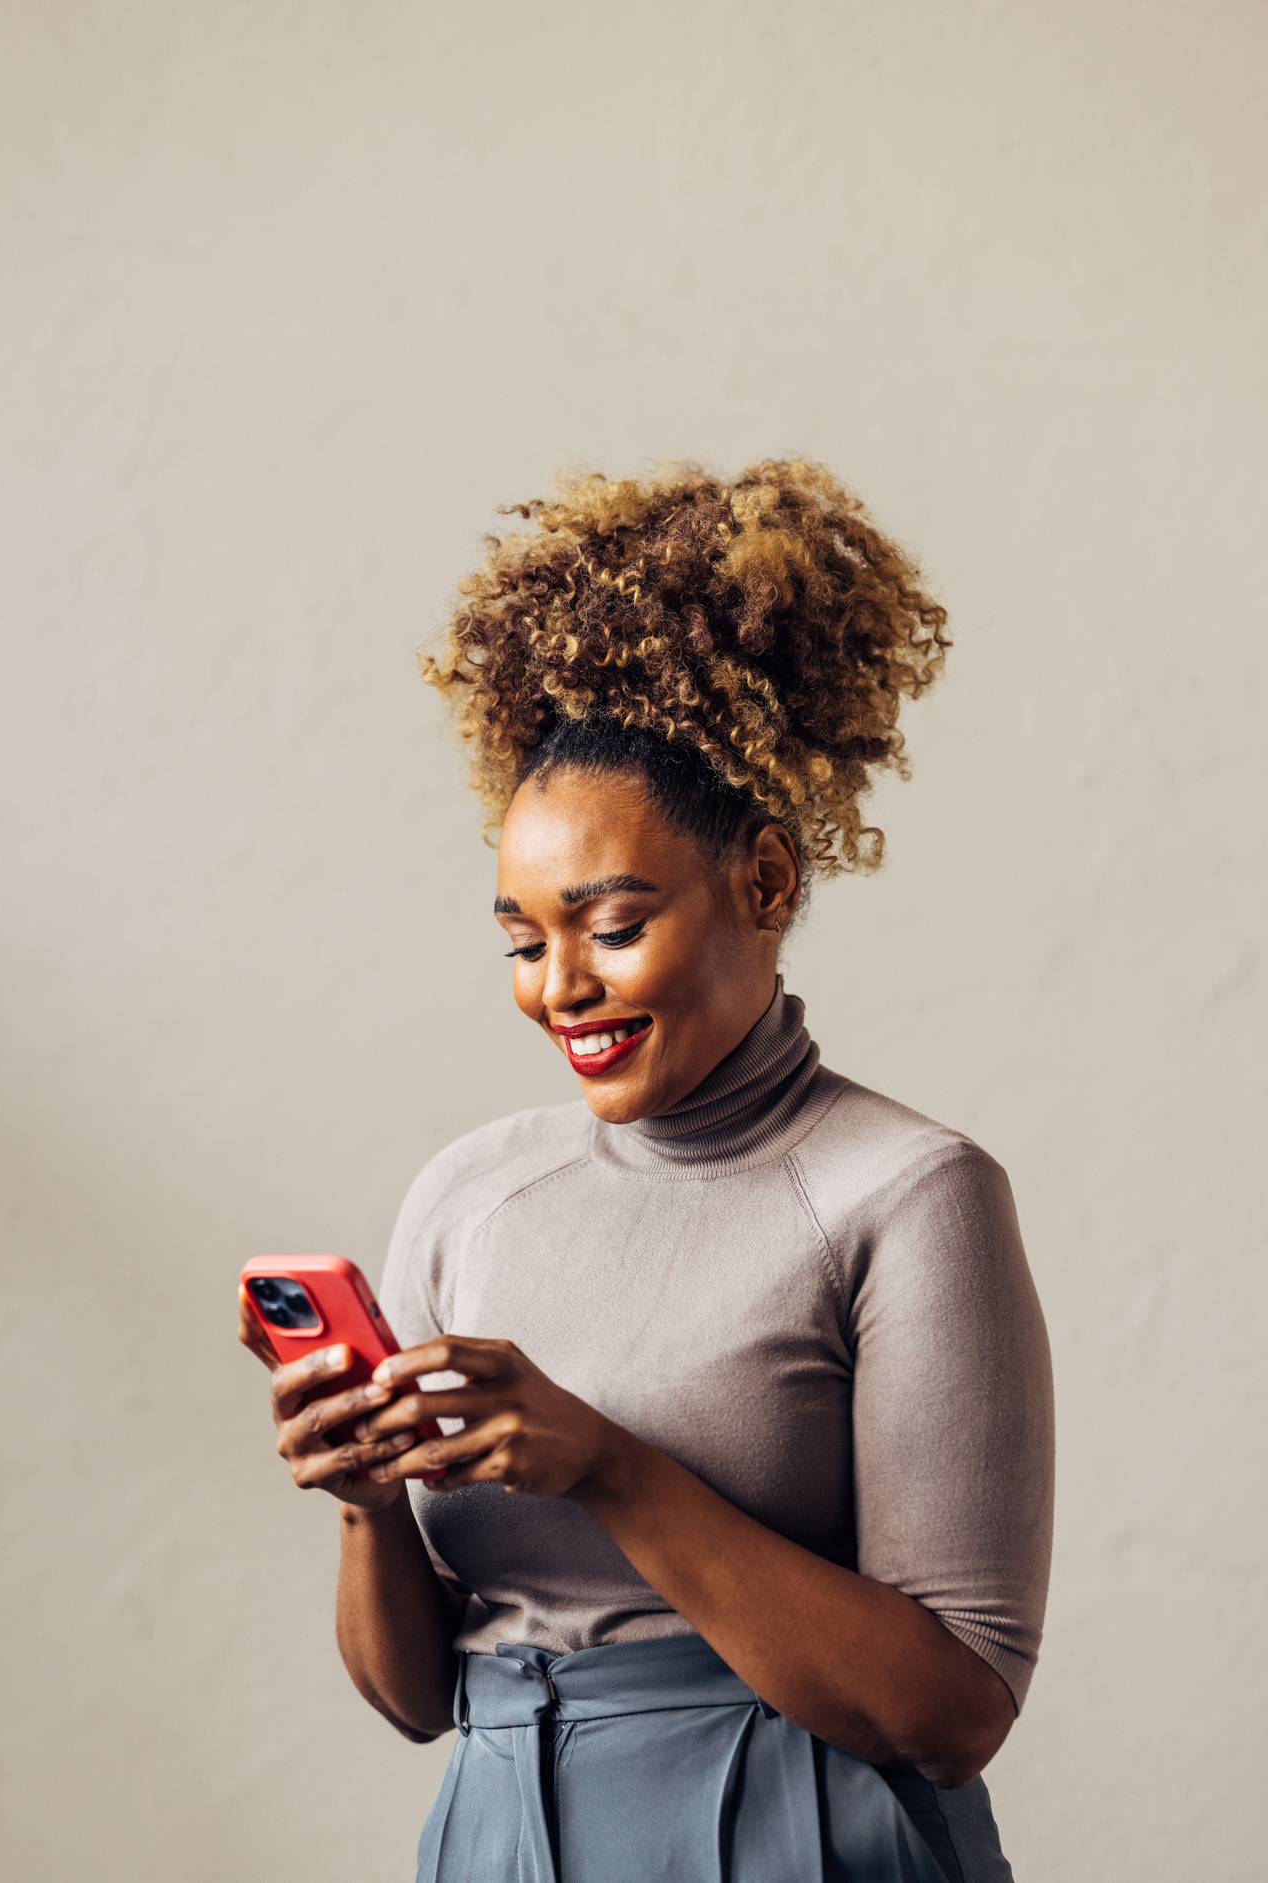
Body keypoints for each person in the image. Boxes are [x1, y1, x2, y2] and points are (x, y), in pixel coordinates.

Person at [239, 461, 1053, 1883]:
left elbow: (952, 1709)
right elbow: (420, 1700)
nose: (561, 987)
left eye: (612, 924)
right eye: (520, 940)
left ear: (767, 883)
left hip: (805, 1832)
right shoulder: (470, 1194)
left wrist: (612, 1468)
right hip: (498, 1835)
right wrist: (368, 1507)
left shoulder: (909, 1194)